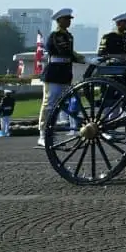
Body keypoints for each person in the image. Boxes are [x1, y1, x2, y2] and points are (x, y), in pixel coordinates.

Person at [37, 8, 87, 147]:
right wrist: (82, 59)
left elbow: (70, 53)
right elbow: (64, 51)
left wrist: (80, 58)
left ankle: (52, 133)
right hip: (54, 72)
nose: (69, 21)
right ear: (59, 21)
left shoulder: (69, 36)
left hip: (65, 72)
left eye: (70, 19)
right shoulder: (55, 36)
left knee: (60, 105)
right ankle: (43, 134)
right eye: (66, 19)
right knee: (49, 104)